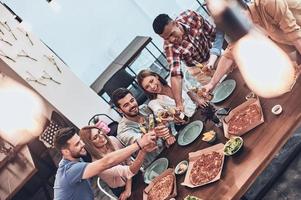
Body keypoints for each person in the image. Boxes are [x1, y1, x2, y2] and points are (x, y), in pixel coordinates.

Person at [203, 0, 301, 92]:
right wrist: (212, 83)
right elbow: (229, 54)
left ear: (240, 13)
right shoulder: (245, 26)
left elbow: (295, 35)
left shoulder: (268, 3)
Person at [53, 126, 155, 200]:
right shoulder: (70, 170)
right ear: (65, 152)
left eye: (80, 141)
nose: (83, 144)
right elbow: (107, 162)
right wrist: (140, 144)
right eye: (77, 144)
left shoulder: (74, 159)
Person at [152, 10, 224, 112]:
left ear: (176, 23)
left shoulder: (191, 17)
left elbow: (214, 35)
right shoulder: (169, 47)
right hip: (197, 69)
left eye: (172, 34)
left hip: (213, 53)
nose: (172, 39)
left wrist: (219, 53)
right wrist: (179, 104)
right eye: (167, 38)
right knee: (217, 93)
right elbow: (175, 75)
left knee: (234, 77)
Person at [112, 88, 175, 168]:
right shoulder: (123, 132)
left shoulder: (145, 108)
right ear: (120, 110)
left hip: (169, 148)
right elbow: (143, 141)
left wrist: (168, 135)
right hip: (154, 164)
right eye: (126, 105)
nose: (132, 105)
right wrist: (156, 132)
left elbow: (163, 123)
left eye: (132, 100)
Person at [137, 69, 209, 118]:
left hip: (201, 109)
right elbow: (159, 112)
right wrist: (170, 114)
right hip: (189, 122)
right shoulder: (154, 102)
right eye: (147, 87)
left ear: (156, 76)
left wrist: (198, 99)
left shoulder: (173, 80)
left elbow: (188, 90)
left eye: (151, 81)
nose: (152, 87)